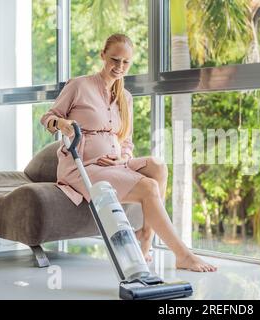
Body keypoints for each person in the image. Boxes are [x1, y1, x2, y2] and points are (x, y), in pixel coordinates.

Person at [41, 34, 217, 273]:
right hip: (82, 167)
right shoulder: (79, 86)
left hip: (114, 165)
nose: (119, 67)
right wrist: (61, 124)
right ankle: (183, 255)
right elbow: (48, 117)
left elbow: (126, 142)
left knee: (158, 167)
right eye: (114, 59)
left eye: (126, 62)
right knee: (148, 187)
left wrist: (123, 158)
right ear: (103, 55)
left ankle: (145, 236)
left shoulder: (125, 98)